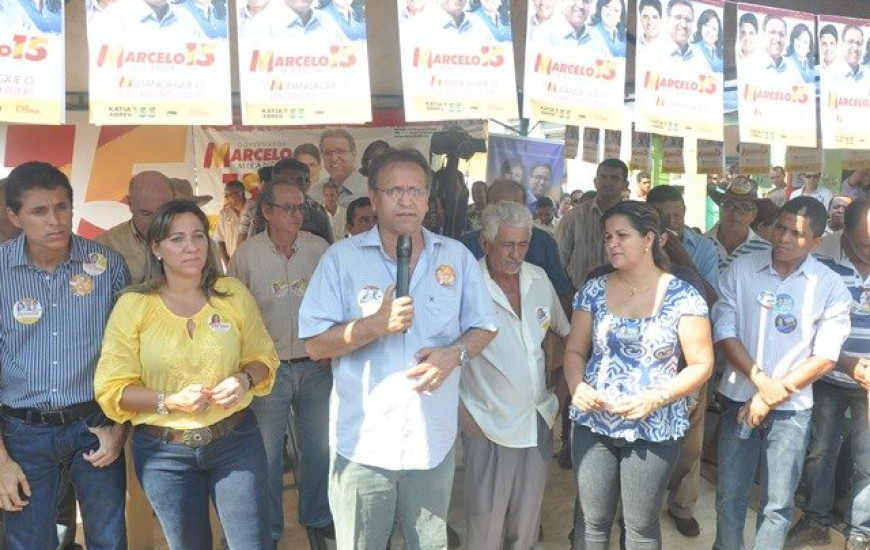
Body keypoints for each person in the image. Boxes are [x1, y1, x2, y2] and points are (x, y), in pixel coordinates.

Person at [298, 148, 498, 548]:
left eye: (415, 190)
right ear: (373, 198)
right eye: (394, 191)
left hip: (431, 444)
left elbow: (484, 326)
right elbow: (315, 345)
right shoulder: (341, 260)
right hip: (364, 446)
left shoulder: (456, 257)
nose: (406, 200)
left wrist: (454, 354)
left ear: (428, 199)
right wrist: (372, 325)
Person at [94, 200, 279, 549]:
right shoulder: (133, 306)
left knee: (253, 543)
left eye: (198, 236)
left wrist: (244, 379)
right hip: (165, 456)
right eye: (176, 239)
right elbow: (113, 389)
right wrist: (170, 400)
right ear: (156, 248)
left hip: (235, 442)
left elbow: (262, 357)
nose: (191, 246)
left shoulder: (232, 294)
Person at [565, 200, 713, 549]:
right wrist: (576, 386)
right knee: (592, 520)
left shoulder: (683, 296)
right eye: (607, 237)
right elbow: (574, 350)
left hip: (654, 426)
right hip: (593, 421)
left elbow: (701, 364)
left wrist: (656, 397)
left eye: (622, 235)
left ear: (649, 239)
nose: (612, 243)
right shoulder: (593, 290)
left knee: (640, 525)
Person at [0, 162, 130, 550]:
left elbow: (129, 354)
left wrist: (120, 427)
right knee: (29, 541)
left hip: (95, 424)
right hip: (22, 432)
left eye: (62, 207)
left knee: (108, 537)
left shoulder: (107, 267)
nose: (54, 221)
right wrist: (1, 460)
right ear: (14, 216)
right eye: (39, 211)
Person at [711, 197, 852, 550]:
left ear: (817, 242)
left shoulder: (829, 286)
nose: (784, 238)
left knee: (777, 505)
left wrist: (773, 393)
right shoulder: (742, 269)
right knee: (730, 494)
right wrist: (760, 383)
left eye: (797, 234)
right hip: (737, 400)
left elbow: (826, 357)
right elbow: (724, 331)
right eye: (780, 228)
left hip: (792, 410)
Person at [460, 201, 570, 549]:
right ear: (485, 243)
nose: (516, 253)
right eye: (507, 244)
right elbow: (444, 356)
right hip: (487, 421)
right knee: (485, 524)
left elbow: (565, 336)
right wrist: (463, 416)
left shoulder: (538, 279)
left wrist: (560, 399)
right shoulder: (465, 285)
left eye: (522, 244)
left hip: (536, 417)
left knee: (527, 521)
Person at [228, 181, 333, 544]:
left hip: (315, 366)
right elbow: (232, 314)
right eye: (287, 208)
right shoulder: (246, 256)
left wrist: (331, 348)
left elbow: (337, 303)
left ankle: (317, 514)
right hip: (267, 372)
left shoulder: (319, 249)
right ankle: (270, 526)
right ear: (266, 212)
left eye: (300, 207)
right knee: (269, 454)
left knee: (318, 448)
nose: (296, 214)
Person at [786, 199, 870, 550]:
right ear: (845, 234)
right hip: (827, 376)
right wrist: (846, 362)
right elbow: (808, 324)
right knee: (821, 451)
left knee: (867, 458)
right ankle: (816, 520)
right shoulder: (821, 263)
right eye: (865, 243)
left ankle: (860, 530)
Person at [557, 158, 629, 289]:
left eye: (614, 178)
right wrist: (567, 294)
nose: (607, 182)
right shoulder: (574, 217)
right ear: (595, 182)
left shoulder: (633, 217)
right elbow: (558, 261)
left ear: (625, 184)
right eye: (603, 177)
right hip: (579, 296)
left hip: (624, 298)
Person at [98, 170, 176, 284]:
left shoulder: (194, 242)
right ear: (130, 204)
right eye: (146, 213)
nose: (155, 222)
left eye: (163, 212)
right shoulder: (105, 247)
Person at [706, 176, 771, 273]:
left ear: (753, 215)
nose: (735, 212)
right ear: (720, 209)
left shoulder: (765, 251)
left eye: (744, 208)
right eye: (728, 205)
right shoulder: (700, 244)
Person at [309, 129, 368, 207]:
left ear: (353, 154)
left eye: (340, 151)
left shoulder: (370, 189)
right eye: (328, 153)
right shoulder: (316, 190)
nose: (334, 158)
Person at [215, 179, 246, 265]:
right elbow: (220, 241)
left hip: (254, 263)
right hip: (233, 263)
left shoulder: (254, 209)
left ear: (240, 194)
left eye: (228, 195)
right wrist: (228, 265)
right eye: (225, 195)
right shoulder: (224, 213)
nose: (226, 198)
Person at [691, 9, 722, 73]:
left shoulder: (722, 55)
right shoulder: (691, 50)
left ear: (718, 34)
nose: (709, 31)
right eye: (706, 25)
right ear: (700, 27)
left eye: (714, 29)